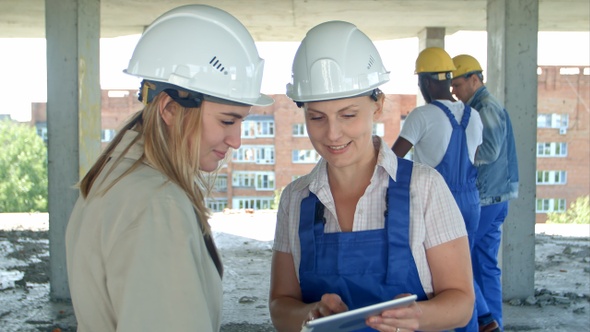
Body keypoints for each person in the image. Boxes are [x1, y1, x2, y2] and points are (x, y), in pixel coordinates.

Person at [65, 5, 273, 331]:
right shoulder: (155, 206)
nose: (236, 140)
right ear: (171, 108)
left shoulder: (114, 176)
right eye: (227, 120)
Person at [269, 21, 474, 332]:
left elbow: (461, 303)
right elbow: (280, 305)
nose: (333, 133)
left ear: (377, 105)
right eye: (316, 117)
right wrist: (310, 314)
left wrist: (418, 316)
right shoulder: (295, 200)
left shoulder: (425, 187)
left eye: (348, 115)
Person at [392, 47, 484, 332]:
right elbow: (475, 156)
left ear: (427, 82)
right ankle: (476, 323)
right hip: (471, 201)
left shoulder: (422, 116)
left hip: (439, 202)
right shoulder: (474, 116)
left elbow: (392, 159)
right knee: (461, 277)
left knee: (435, 279)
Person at [451, 54, 519, 332]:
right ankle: (494, 323)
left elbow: (489, 151)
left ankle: (484, 320)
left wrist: (455, 154)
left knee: (463, 260)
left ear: (475, 79)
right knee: (484, 264)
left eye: (456, 84)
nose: (453, 91)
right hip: (496, 196)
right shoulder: (481, 106)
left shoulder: (485, 108)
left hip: (488, 197)